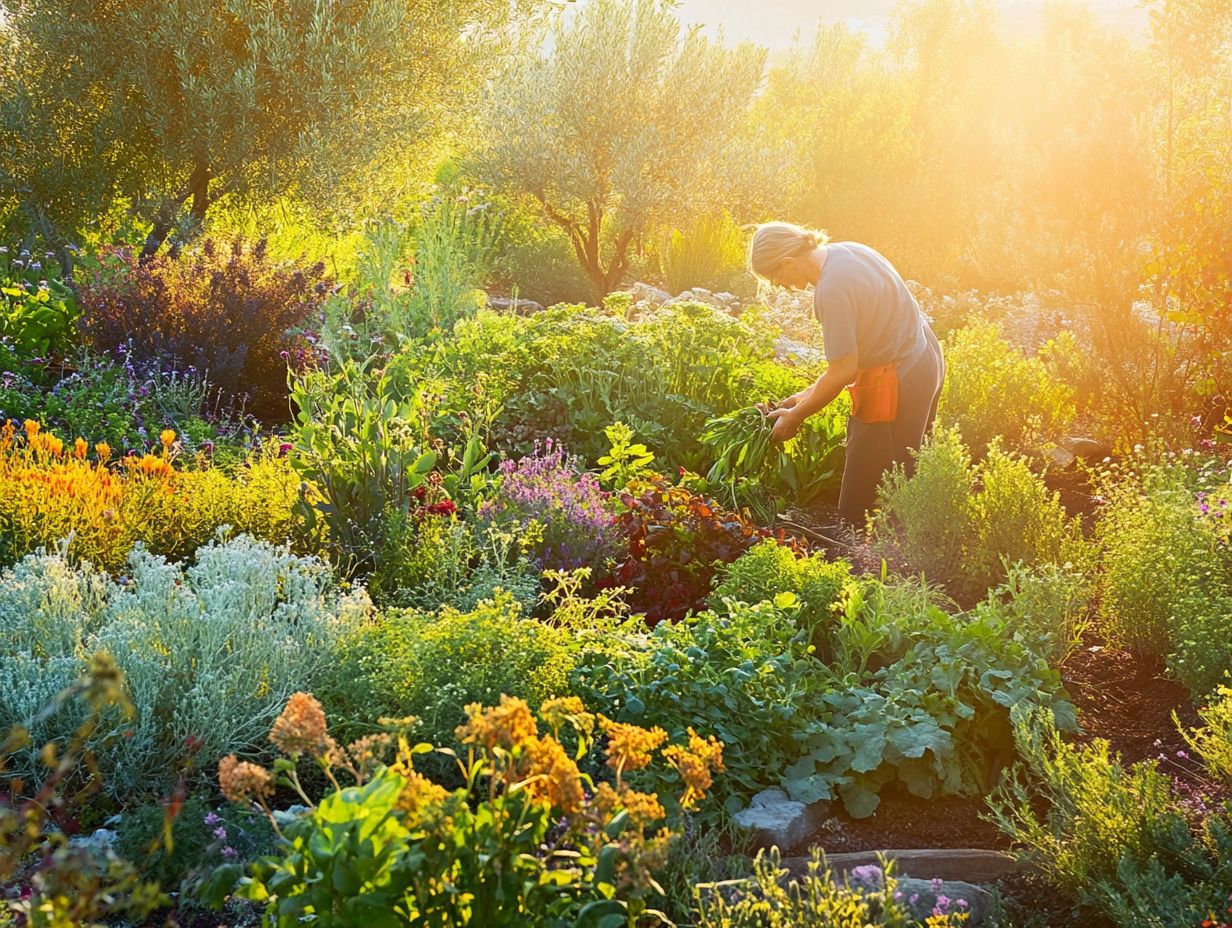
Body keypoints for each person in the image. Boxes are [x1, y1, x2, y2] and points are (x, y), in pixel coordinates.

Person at [747, 222, 945, 527]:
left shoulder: (832, 290)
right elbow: (849, 361)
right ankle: (905, 541)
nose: (779, 286)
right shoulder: (849, 251)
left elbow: (843, 371)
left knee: (867, 473)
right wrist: (799, 398)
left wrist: (797, 416)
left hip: (900, 375)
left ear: (787, 261)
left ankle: (860, 551)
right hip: (925, 354)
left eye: (775, 278)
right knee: (908, 464)